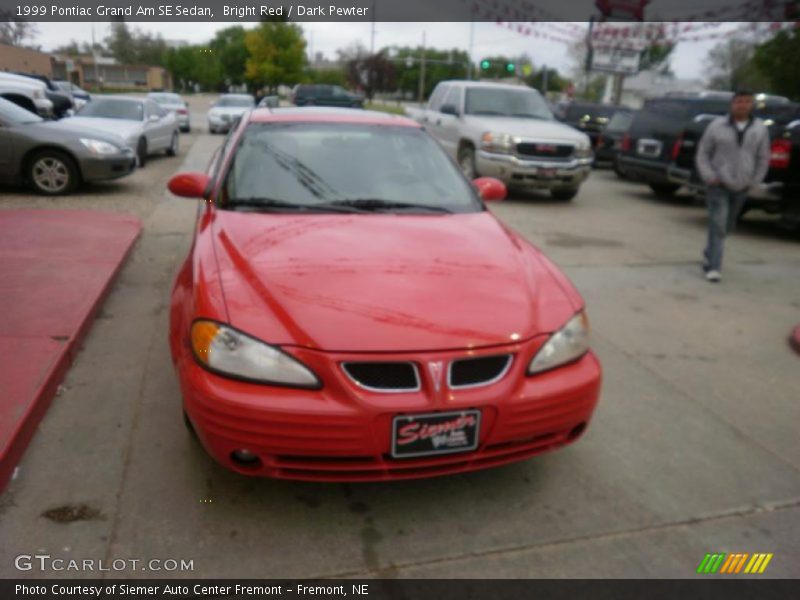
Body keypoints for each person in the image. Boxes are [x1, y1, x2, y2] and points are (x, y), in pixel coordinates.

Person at [695, 90, 771, 282]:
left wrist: (755, 181)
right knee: (718, 224)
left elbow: (763, 157)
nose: (742, 105)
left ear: (752, 105)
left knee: (727, 225)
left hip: (742, 185)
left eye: (747, 102)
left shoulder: (759, 128)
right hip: (719, 184)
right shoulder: (717, 126)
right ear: (732, 104)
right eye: (739, 101)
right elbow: (703, 153)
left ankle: (709, 251)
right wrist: (709, 176)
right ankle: (713, 267)